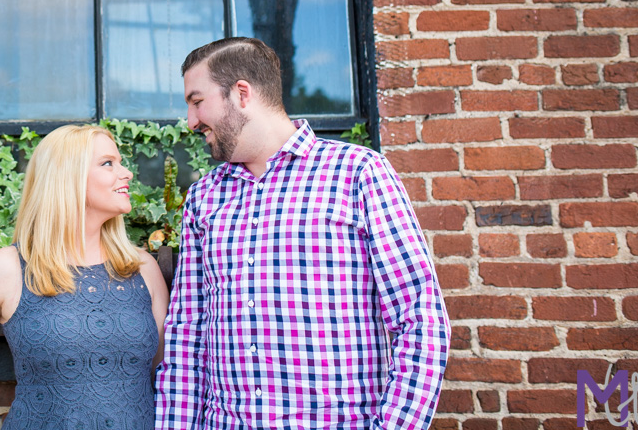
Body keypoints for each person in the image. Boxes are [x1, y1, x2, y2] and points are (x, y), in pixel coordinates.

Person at [155, 37, 450, 430]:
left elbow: (419, 317)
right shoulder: (203, 198)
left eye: (197, 101)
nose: (191, 121)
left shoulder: (358, 173)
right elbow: (187, 335)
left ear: (241, 93)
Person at [0, 124, 169, 430]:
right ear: (68, 178)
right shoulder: (8, 269)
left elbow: (164, 374)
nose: (126, 173)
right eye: (108, 163)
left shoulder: (141, 268)